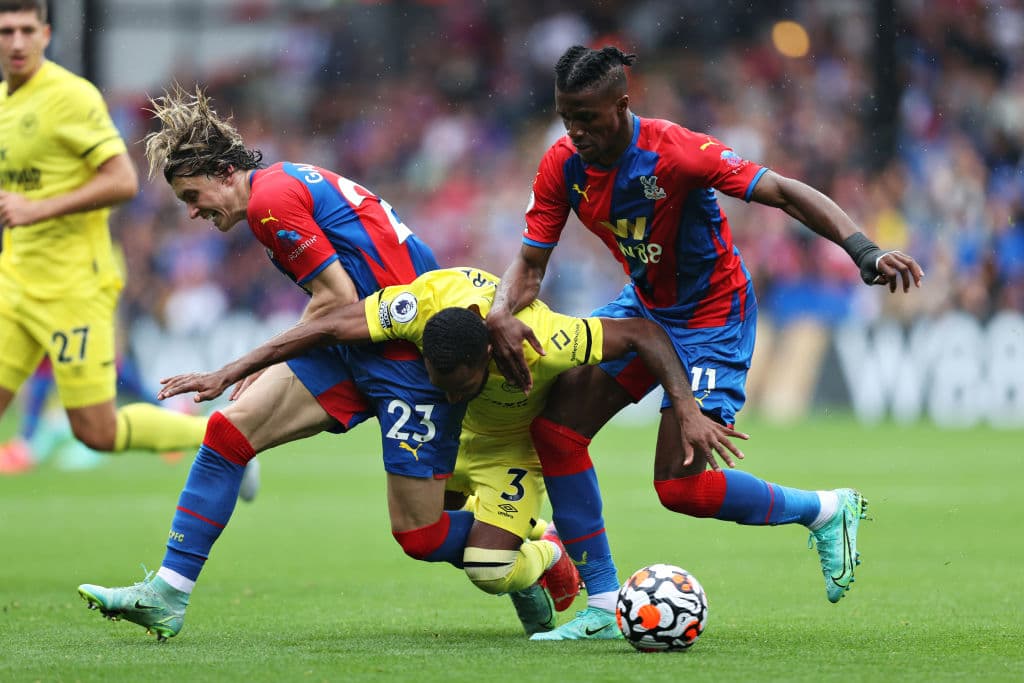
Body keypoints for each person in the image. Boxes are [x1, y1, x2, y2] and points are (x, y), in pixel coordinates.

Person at [75, 88, 584, 640]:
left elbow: (338, 298)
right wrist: (262, 365)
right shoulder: (283, 185)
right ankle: (168, 594)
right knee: (227, 434)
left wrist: (245, 363)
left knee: (420, 534)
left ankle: (538, 552)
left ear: (225, 173)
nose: (194, 211)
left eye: (193, 195)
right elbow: (339, 300)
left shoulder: (271, 201)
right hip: (355, 345)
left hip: (408, 358)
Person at [483, 45, 927, 637]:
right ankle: (603, 604)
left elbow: (786, 192)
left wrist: (863, 251)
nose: (575, 131)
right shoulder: (562, 165)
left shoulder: (677, 152)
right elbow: (530, 265)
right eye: (566, 116)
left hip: (713, 320)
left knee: (681, 485)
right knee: (556, 431)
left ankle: (825, 510)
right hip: (644, 308)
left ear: (621, 104)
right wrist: (498, 312)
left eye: (587, 117)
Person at [146, 266, 745, 639]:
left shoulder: (545, 339)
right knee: (418, 534)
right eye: (439, 381)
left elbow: (643, 334)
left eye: (458, 383)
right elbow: (330, 326)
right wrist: (231, 370)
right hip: (457, 440)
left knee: (488, 571)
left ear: (489, 355)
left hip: (511, 449)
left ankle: (545, 554)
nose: (448, 391)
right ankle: (537, 541)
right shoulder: (418, 308)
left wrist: (685, 405)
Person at [0, 2, 249, 490]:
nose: (17, 41)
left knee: (95, 430)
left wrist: (37, 208)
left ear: (46, 34)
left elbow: (121, 180)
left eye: (27, 30)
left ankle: (217, 438)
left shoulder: (70, 98)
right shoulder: (4, 106)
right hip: (15, 280)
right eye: (6, 31)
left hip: (74, 285)